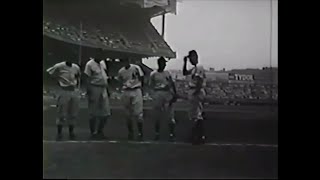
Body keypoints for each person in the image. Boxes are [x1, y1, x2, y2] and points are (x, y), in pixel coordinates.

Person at [46, 60, 81, 141]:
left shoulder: (76, 67)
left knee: (73, 112)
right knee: (61, 112)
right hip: (63, 90)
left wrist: (77, 87)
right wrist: (57, 82)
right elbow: (49, 73)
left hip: (73, 90)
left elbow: (78, 77)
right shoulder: (59, 66)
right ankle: (59, 132)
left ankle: (71, 132)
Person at [149, 57, 178, 142]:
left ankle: (171, 134)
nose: (164, 64)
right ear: (159, 63)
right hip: (158, 93)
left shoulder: (167, 73)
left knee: (170, 115)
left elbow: (172, 84)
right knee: (157, 115)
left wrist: (174, 94)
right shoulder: (153, 74)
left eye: (165, 63)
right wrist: (153, 95)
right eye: (162, 63)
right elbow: (151, 85)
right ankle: (157, 133)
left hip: (167, 93)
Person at [182, 50, 207, 144]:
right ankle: (198, 136)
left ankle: (199, 136)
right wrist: (184, 62)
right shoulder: (194, 68)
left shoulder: (199, 67)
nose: (190, 60)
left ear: (195, 57)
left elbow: (200, 81)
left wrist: (195, 93)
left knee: (197, 115)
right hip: (194, 91)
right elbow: (184, 72)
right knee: (194, 115)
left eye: (191, 58)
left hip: (196, 91)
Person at [117, 58, 145, 141]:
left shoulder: (136, 68)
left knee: (138, 113)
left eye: (127, 60)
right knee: (127, 114)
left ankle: (140, 132)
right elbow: (119, 81)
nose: (126, 62)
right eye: (124, 61)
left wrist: (141, 87)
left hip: (136, 90)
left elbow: (142, 77)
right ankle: (130, 132)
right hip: (126, 91)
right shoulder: (121, 71)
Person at [84, 57, 111, 140]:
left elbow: (105, 77)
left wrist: (108, 89)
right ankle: (93, 132)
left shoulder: (102, 62)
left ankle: (100, 131)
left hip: (103, 88)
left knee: (106, 113)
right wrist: (89, 91)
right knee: (93, 112)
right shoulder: (89, 64)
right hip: (94, 87)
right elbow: (87, 78)